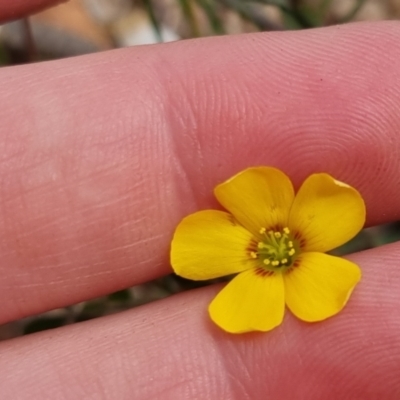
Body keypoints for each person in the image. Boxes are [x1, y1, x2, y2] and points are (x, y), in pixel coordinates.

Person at [0, 1, 399, 398]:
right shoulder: (262, 241)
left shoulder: (329, 215)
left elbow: (334, 218)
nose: (277, 248)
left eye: (277, 247)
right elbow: (198, 246)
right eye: (276, 247)